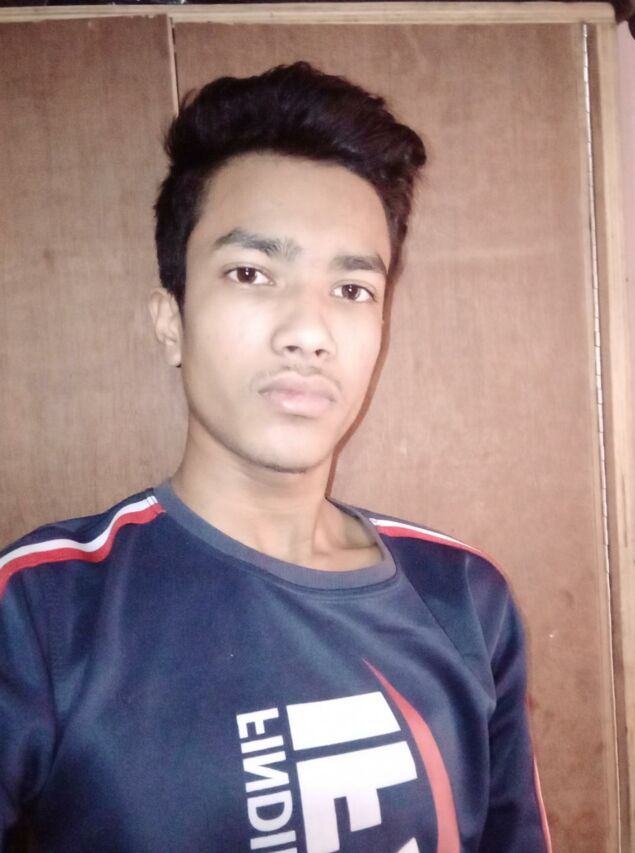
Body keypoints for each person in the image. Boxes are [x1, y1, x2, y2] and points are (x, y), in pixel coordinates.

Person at [0, 63, 551, 852]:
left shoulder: (463, 596)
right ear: (171, 321)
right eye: (252, 273)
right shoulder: (41, 610)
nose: (309, 331)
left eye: (352, 289)